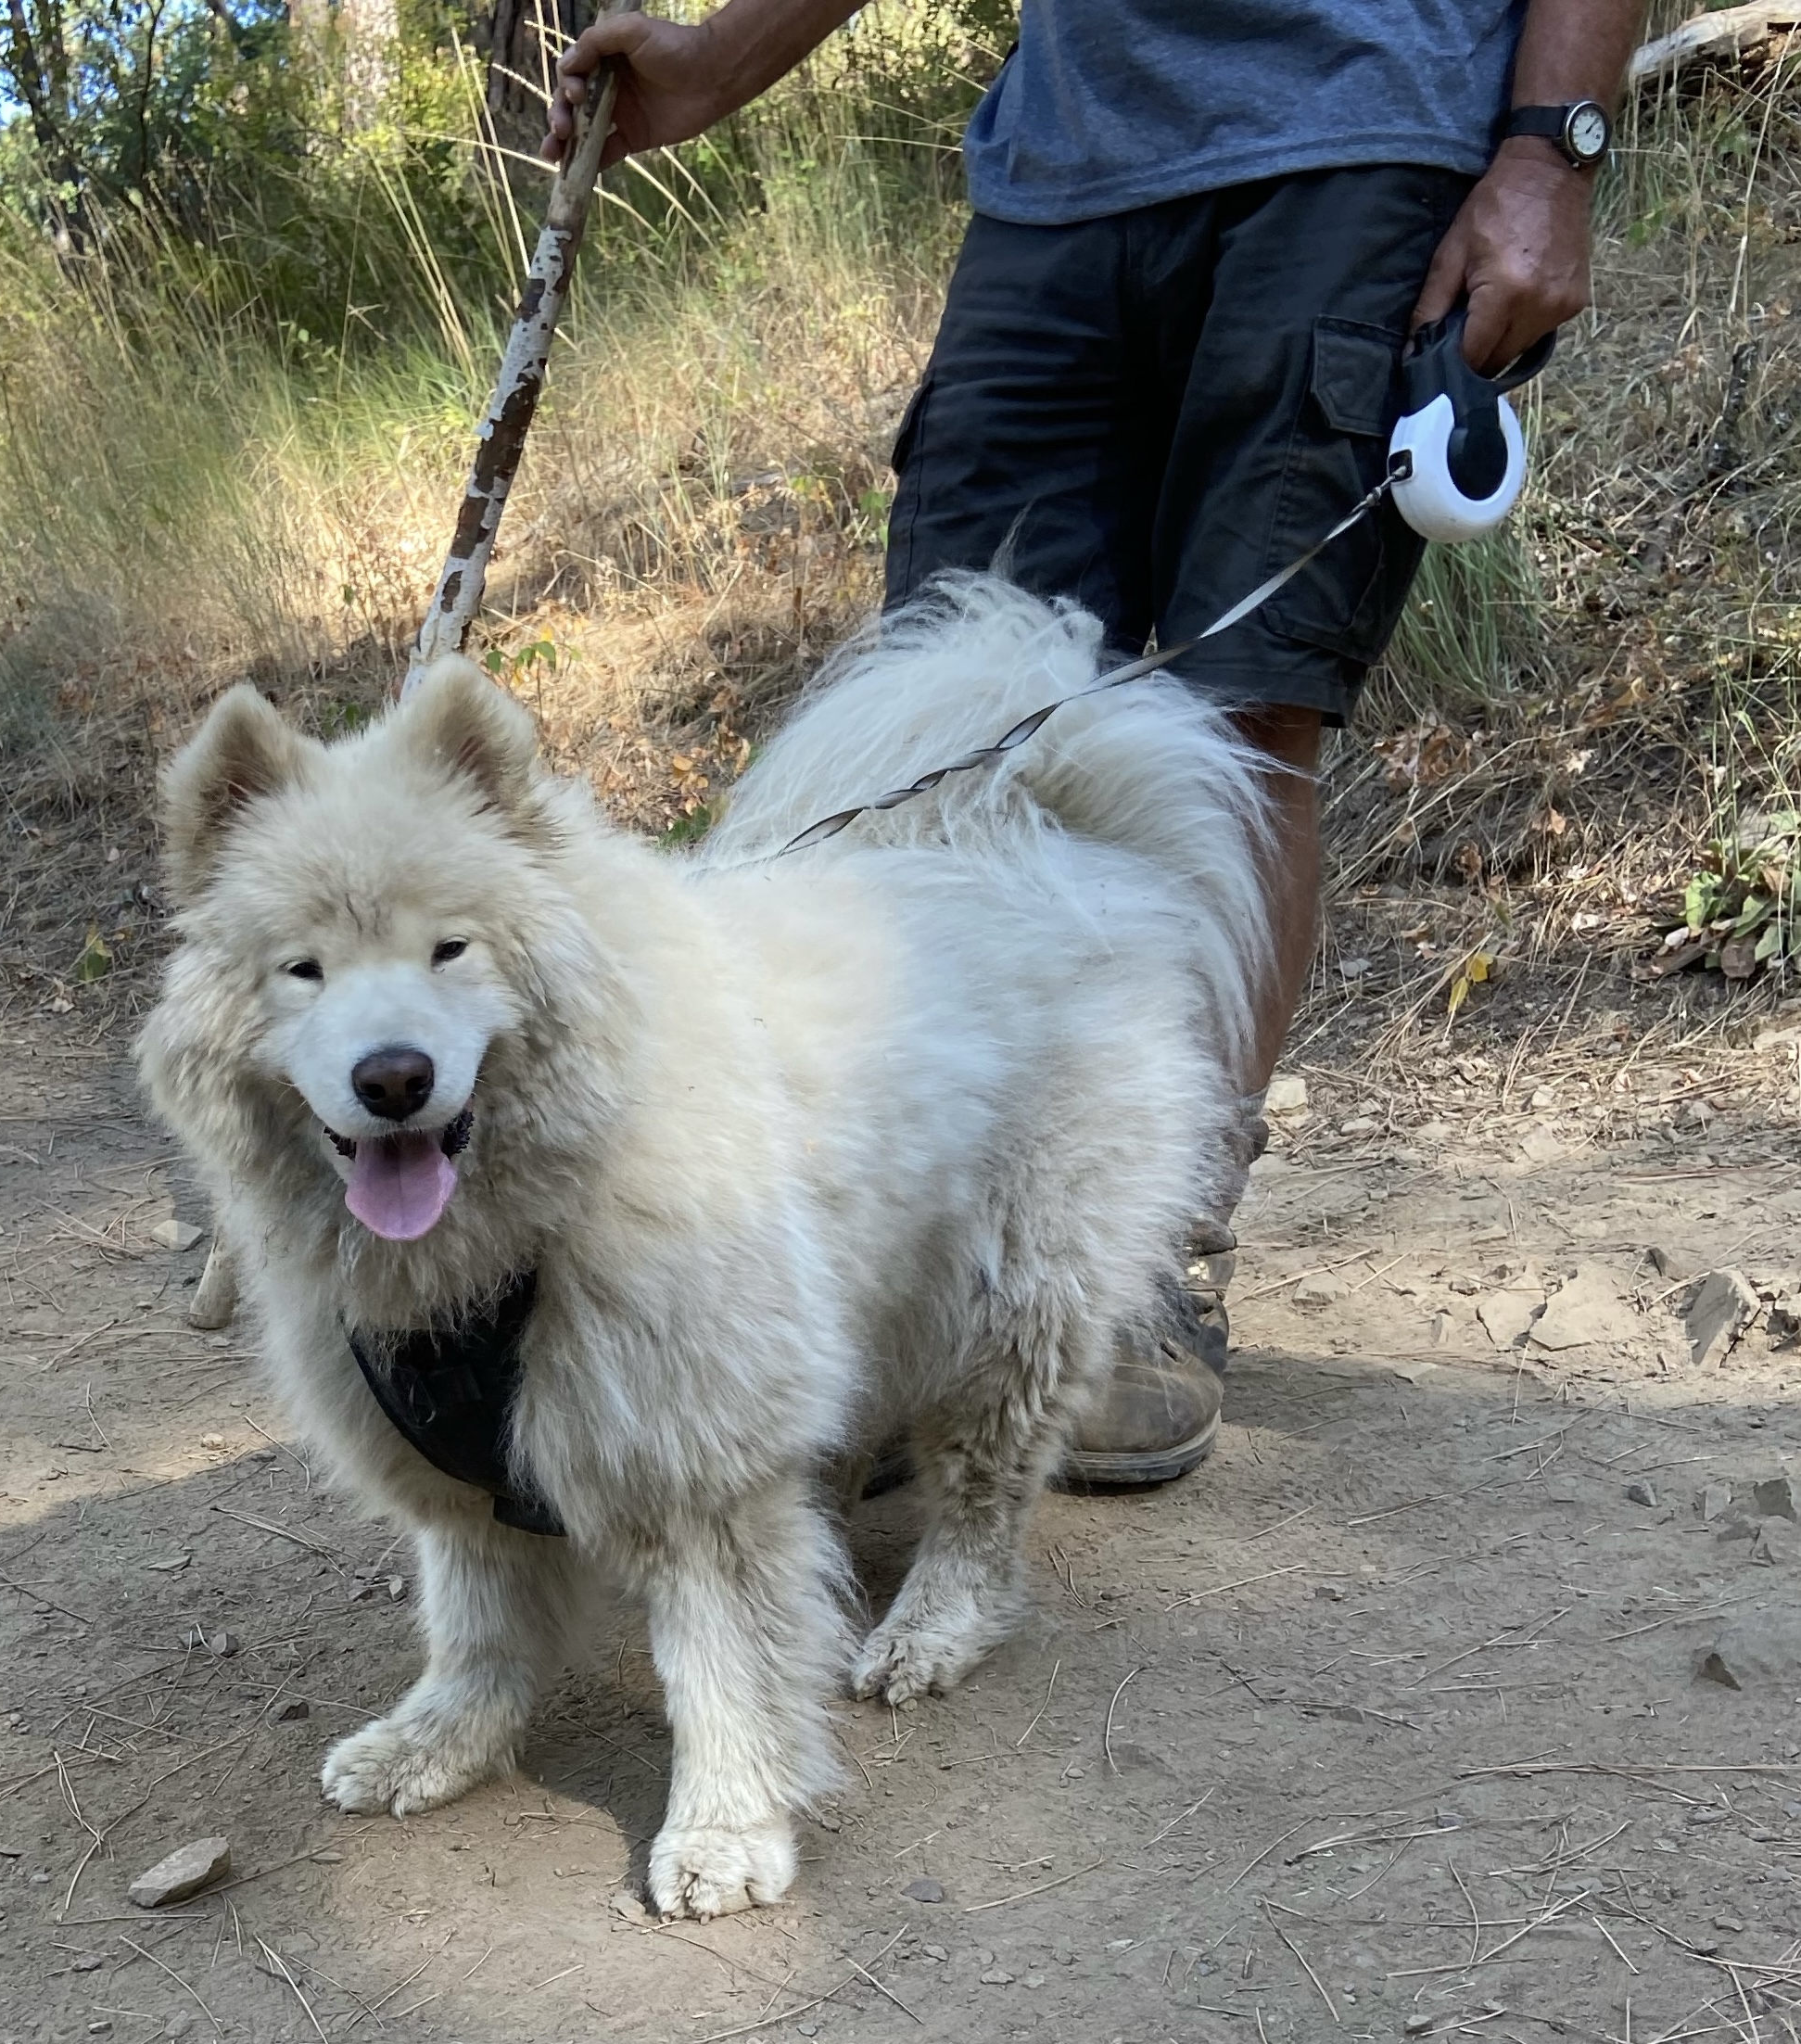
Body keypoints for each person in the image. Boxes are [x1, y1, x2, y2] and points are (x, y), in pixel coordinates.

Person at [545, 0, 1642, 1483]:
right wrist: (729, 52)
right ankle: (914, 1265)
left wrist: (1552, 150)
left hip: (1364, 139)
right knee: (944, 712)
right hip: (1060, 170)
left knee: (1242, 719)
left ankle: (1142, 1264)